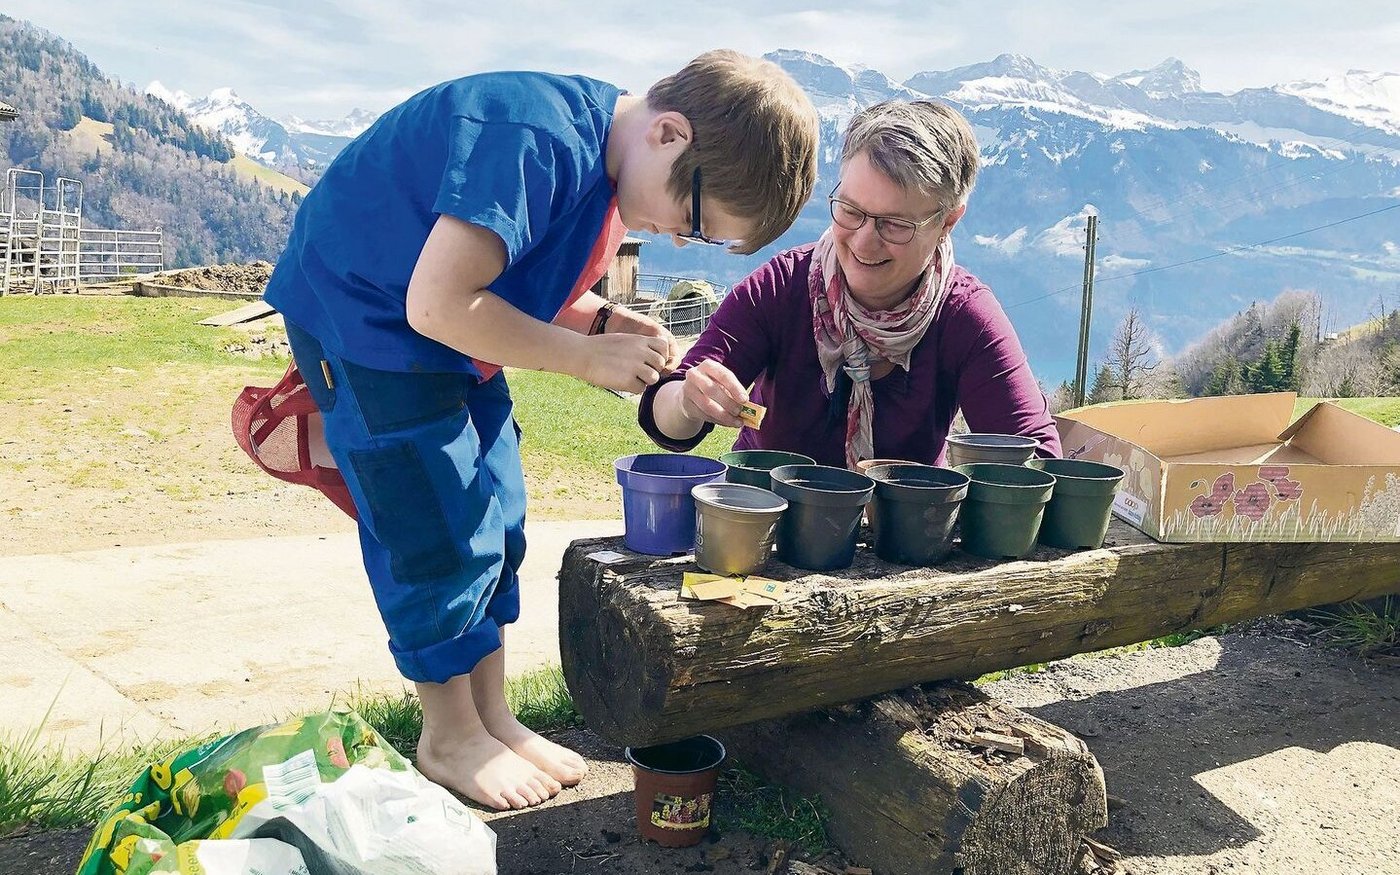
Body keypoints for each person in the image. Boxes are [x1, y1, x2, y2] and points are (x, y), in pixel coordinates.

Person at [258, 50, 819, 811]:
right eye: (694, 217)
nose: (681, 241)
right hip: (370, 324)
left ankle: (490, 716)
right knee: (435, 518)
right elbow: (436, 302)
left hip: (444, 331)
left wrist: (605, 320)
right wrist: (586, 358)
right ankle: (447, 731)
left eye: (703, 238)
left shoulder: (609, 176)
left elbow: (516, 284)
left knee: (496, 508)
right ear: (669, 133)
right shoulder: (534, 139)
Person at [639, 99, 1059, 469]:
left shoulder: (964, 317)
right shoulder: (781, 287)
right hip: (765, 529)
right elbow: (666, 414)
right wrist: (688, 400)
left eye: (895, 225)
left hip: (901, 545)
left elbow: (1034, 456)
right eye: (851, 210)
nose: (863, 241)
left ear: (948, 221)